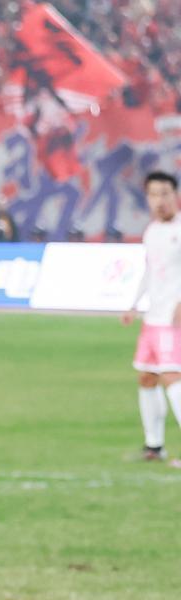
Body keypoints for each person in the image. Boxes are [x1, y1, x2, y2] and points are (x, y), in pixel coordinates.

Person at [122, 171, 181, 464]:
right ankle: (154, 446)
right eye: (153, 194)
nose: (160, 200)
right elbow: (150, 271)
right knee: (147, 377)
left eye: (165, 193)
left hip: (174, 318)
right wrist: (134, 304)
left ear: (176, 195)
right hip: (153, 317)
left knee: (172, 376)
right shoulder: (152, 231)